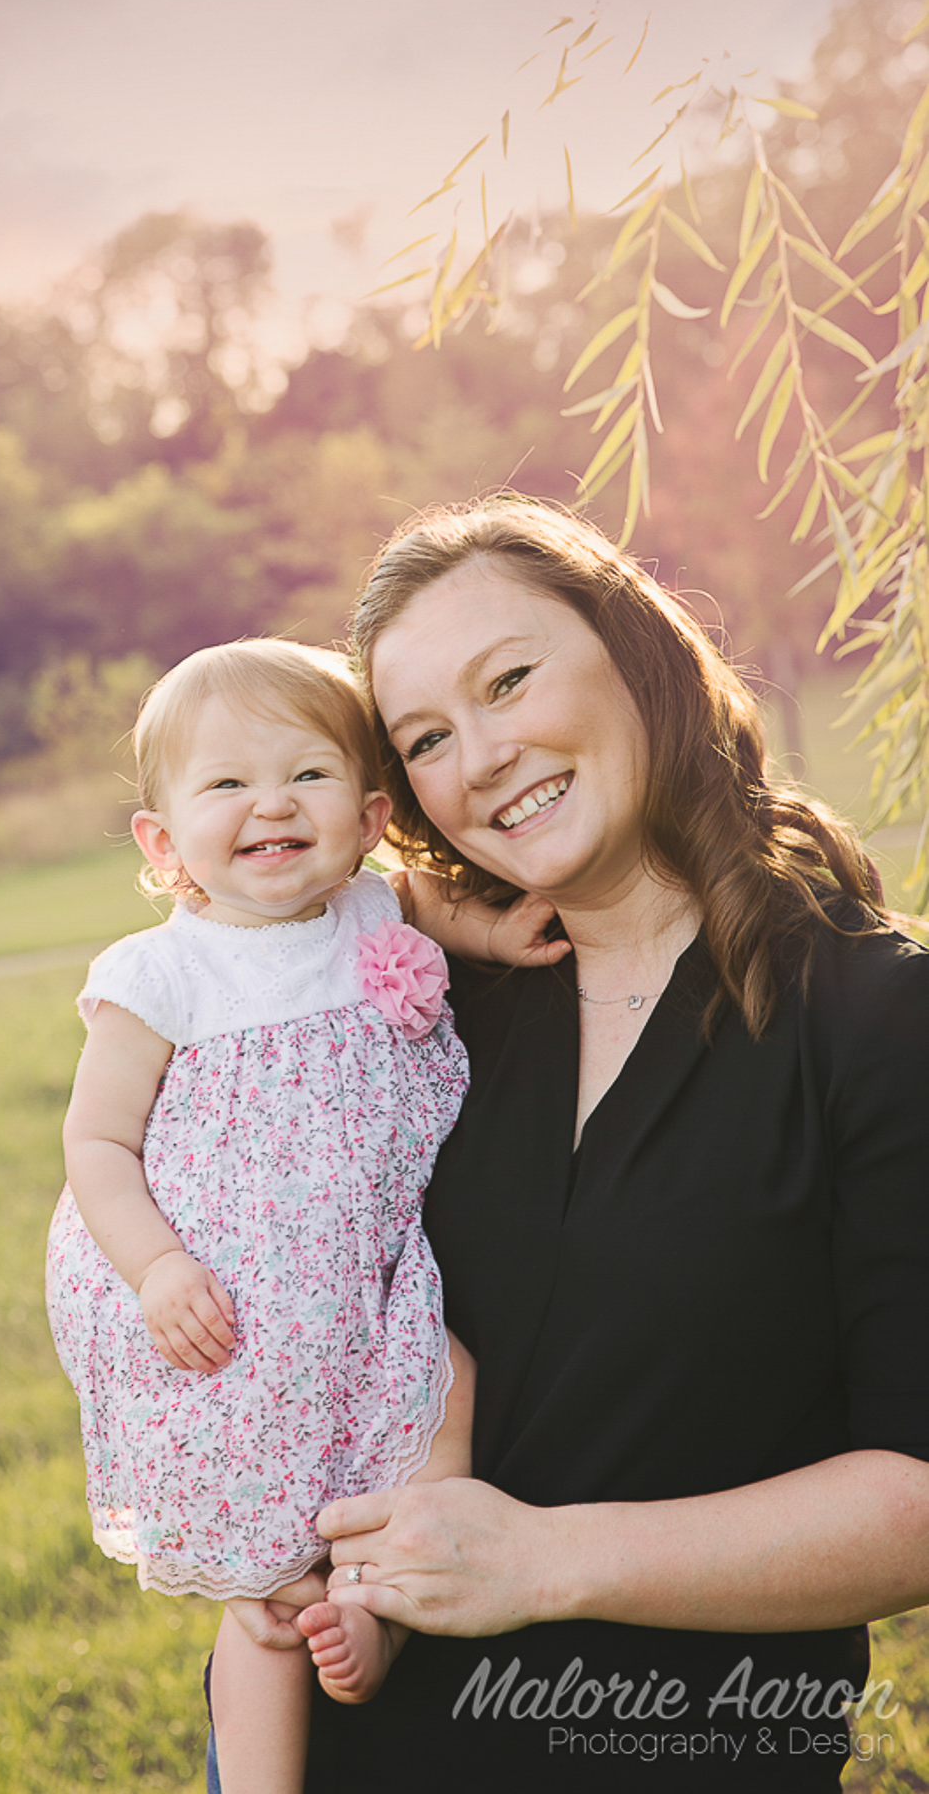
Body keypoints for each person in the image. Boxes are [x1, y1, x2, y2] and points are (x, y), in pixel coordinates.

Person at [281, 494, 929, 1789]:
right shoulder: (419, 1008)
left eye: (508, 680)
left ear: (640, 652)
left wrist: (543, 1560)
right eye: (426, 739)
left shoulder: (872, 1013)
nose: (482, 758)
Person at [54, 638, 552, 1792]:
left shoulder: (377, 916)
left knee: (449, 1388)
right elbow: (96, 1143)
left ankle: (379, 1608)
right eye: (227, 784)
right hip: (220, 1306)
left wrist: (492, 935)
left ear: (372, 812)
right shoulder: (161, 975)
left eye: (307, 776)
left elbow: (433, 910)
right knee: (267, 1585)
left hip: (362, 1288)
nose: (272, 802)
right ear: (164, 842)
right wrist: (158, 1268)